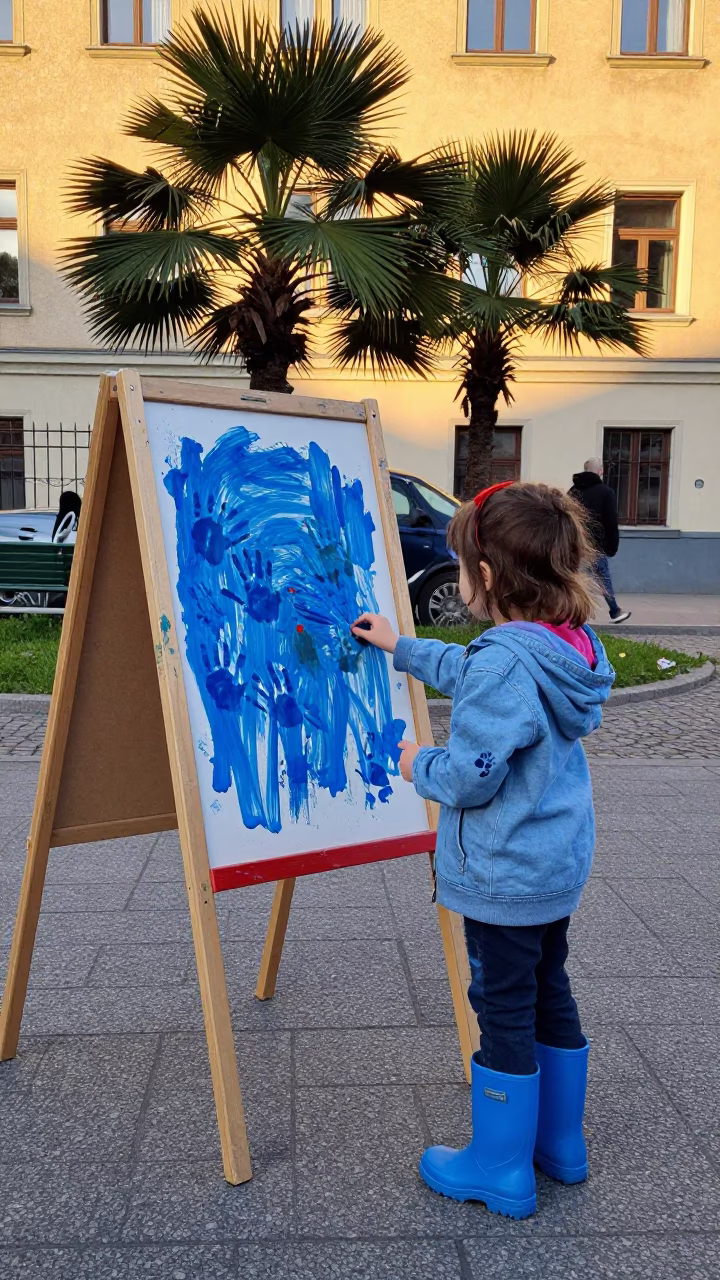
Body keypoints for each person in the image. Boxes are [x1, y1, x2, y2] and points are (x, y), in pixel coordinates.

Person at [352, 481, 614, 1220]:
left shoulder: (506, 663)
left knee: (501, 1006)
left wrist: (412, 763)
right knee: (548, 990)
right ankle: (561, 1146)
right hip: (553, 868)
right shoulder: (561, 647)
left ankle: (499, 1169)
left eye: (462, 563)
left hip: (504, 875)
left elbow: (470, 775)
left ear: (488, 577)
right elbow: (478, 671)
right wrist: (400, 648)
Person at [569, 458, 630, 623]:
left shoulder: (573, 491)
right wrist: (612, 546)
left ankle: (571, 613)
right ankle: (615, 611)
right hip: (595, 546)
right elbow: (611, 521)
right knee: (603, 578)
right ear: (600, 471)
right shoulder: (606, 492)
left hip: (575, 544)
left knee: (573, 578)